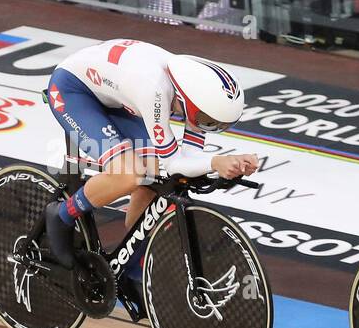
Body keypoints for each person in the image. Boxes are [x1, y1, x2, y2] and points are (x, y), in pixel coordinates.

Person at [41, 39, 259, 299]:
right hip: (73, 91)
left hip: (114, 97)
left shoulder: (195, 92)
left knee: (157, 180)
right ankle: (62, 214)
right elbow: (175, 161)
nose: (208, 126)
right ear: (190, 102)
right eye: (207, 121)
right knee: (129, 173)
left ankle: (128, 270)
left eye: (216, 124)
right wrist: (215, 162)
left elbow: (187, 157)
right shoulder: (154, 89)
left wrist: (229, 164)